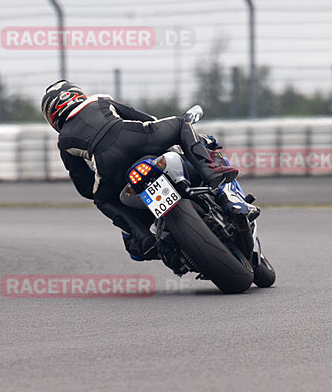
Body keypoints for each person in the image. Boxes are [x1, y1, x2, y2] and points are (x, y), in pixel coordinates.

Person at [41, 80, 240, 272]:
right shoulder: (99, 100)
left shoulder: (64, 140)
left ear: (52, 116)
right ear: (76, 94)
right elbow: (143, 118)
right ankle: (210, 171)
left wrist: (102, 186)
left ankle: (143, 237)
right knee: (180, 125)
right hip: (136, 138)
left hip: (109, 166)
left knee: (102, 200)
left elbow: (84, 186)